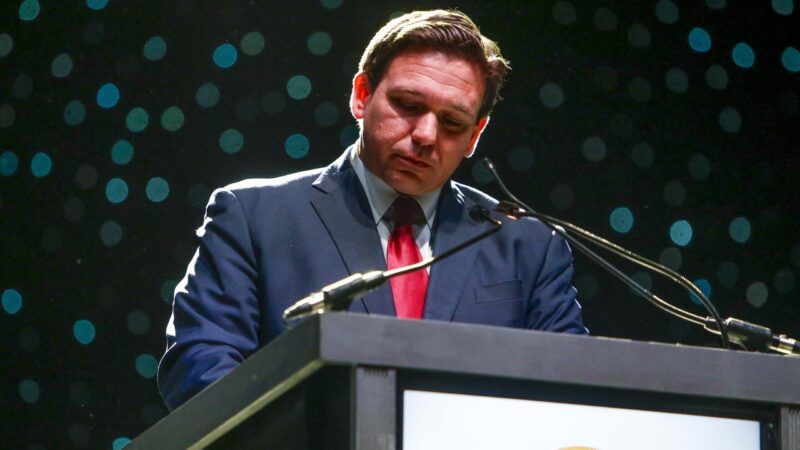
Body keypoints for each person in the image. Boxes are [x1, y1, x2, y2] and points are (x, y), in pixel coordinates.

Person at [158, 9, 587, 411]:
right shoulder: (253, 216)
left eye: (452, 123)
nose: (425, 134)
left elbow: (574, 389)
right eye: (408, 105)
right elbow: (199, 365)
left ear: (476, 135)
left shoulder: (529, 243)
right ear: (362, 96)